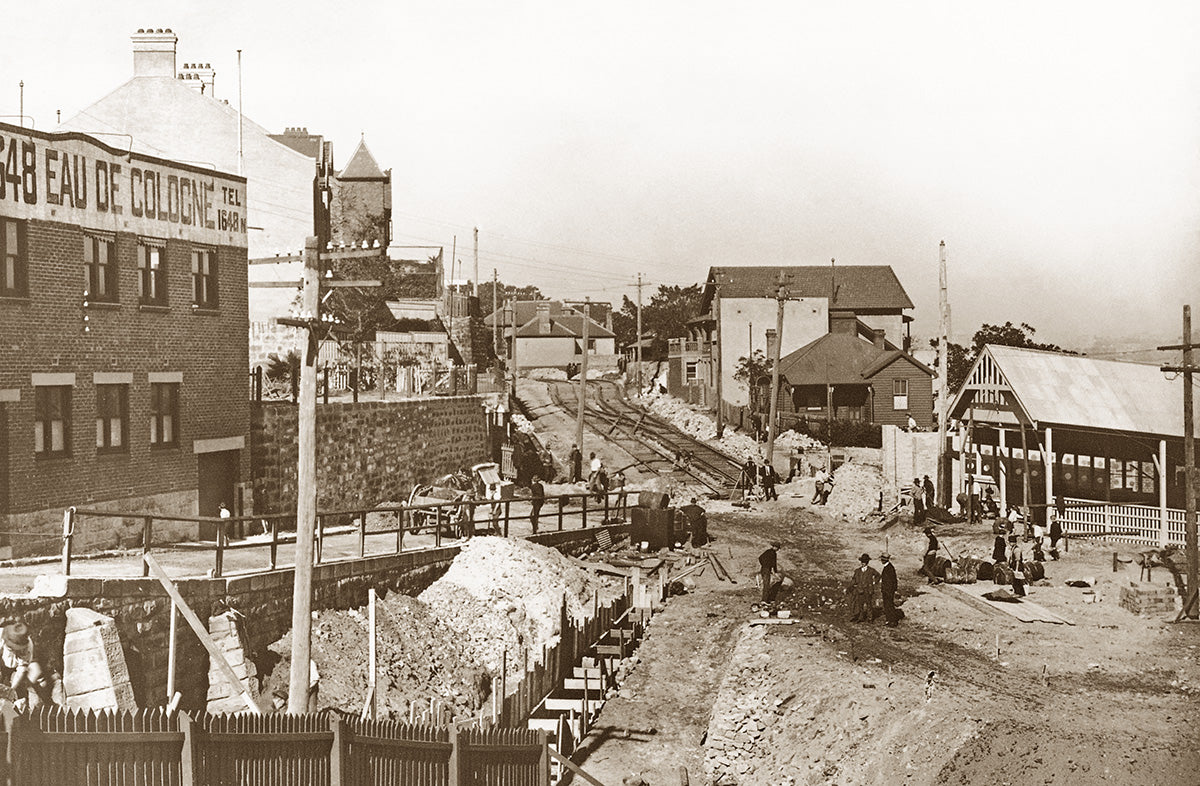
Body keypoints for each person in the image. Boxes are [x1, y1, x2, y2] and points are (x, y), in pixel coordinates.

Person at [847, 553, 881, 622]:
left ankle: (870, 618)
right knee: (860, 605)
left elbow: (878, 575)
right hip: (860, 590)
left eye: (865, 562)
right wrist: (850, 586)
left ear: (867, 562)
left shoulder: (871, 570)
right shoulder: (857, 571)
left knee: (869, 604)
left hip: (868, 590)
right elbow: (854, 579)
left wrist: (874, 582)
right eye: (862, 561)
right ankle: (861, 618)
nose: (863, 563)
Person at [879, 553, 902, 627]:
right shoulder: (888, 567)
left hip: (888, 590)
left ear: (884, 560)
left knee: (889, 605)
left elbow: (893, 580)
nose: (881, 561)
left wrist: (892, 590)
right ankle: (889, 619)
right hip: (887, 590)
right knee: (887, 605)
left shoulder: (889, 568)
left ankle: (892, 621)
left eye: (882, 559)